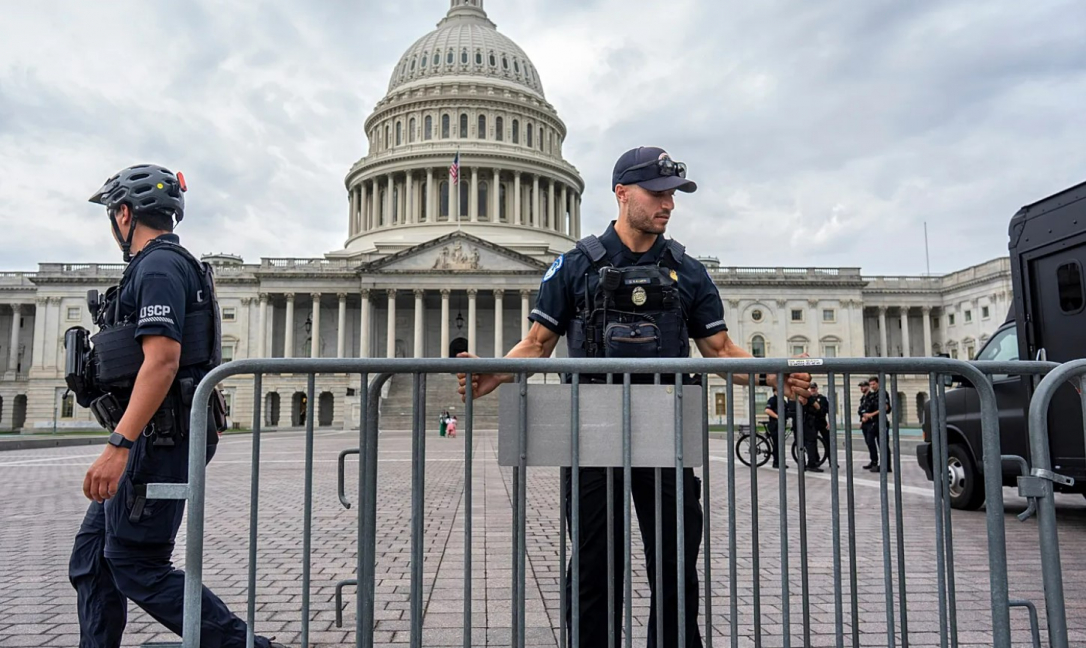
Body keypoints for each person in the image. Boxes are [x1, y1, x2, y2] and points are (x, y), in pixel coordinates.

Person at [456, 146, 810, 648]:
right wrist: (499, 372)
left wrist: (775, 376)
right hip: (592, 428)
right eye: (658, 193)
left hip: (665, 427)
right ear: (622, 194)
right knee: (595, 561)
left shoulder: (688, 271)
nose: (669, 204)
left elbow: (720, 349)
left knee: (674, 560)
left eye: (673, 195)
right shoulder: (574, 265)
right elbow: (538, 342)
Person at [67, 165, 285, 648]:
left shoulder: (160, 267)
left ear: (124, 214)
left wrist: (118, 444)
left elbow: (162, 361)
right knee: (93, 557)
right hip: (152, 433)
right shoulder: (155, 266)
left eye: (111, 215)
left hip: (156, 439)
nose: (111, 225)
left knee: (136, 564)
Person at [859, 376, 893, 472]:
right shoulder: (873, 395)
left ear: (878, 383)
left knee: (883, 444)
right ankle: (875, 462)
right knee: (870, 442)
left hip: (881, 422)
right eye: (871, 384)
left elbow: (885, 408)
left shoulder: (883, 393)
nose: (872, 386)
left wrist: (870, 414)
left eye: (874, 384)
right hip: (873, 423)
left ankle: (886, 466)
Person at [806, 382, 830, 471]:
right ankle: (816, 460)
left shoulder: (823, 398)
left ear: (817, 388)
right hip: (812, 423)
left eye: (814, 388)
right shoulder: (808, 398)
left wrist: (829, 422)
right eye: (811, 388)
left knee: (828, 441)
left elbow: (828, 410)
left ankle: (832, 461)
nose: (813, 389)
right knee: (813, 442)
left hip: (822, 421)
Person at [763, 387, 788, 469]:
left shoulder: (783, 401)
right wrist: (778, 417)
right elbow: (767, 410)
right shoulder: (772, 400)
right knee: (777, 444)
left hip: (781, 426)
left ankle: (780, 461)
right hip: (775, 425)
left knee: (780, 444)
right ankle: (776, 463)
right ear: (774, 391)